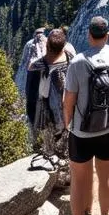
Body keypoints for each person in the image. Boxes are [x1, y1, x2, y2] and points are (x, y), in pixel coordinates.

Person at [63, 16, 109, 215]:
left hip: (81, 132)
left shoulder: (78, 62)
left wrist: (67, 124)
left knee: (79, 180)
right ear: (107, 35)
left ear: (89, 35)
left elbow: (68, 100)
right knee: (106, 174)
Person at [29, 28, 75, 161]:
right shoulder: (70, 57)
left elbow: (30, 66)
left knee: (51, 143)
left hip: (50, 110)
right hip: (69, 106)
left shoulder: (42, 63)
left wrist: (42, 49)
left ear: (48, 45)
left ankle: (52, 159)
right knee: (67, 144)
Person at [17, 26, 49, 125]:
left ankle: (32, 119)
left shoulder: (29, 44)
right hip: (45, 71)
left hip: (32, 72)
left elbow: (24, 61)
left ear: (34, 34)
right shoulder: (48, 41)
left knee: (31, 97)